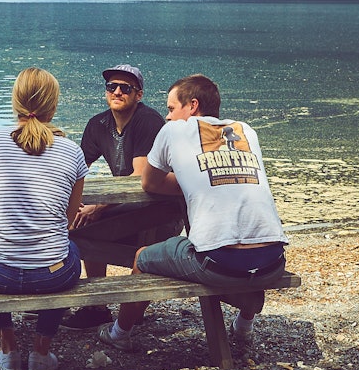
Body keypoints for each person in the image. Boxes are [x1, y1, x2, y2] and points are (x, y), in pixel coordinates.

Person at [97, 74, 289, 351]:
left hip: (219, 265)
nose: (167, 116)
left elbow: (149, 183)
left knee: (142, 257)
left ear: (193, 106)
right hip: (272, 262)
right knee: (248, 240)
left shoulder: (174, 131)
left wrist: (190, 184)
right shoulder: (246, 131)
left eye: (171, 108)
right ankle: (244, 326)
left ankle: (119, 333)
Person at [0, 67, 88, 370]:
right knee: (69, 250)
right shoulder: (72, 152)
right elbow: (67, 219)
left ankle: (8, 348)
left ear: (15, 102)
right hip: (52, 276)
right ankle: (41, 352)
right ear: (53, 105)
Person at [62, 63, 182, 331]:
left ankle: (118, 307)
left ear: (138, 95)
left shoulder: (148, 121)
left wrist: (98, 206)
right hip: (127, 208)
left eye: (125, 88)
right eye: (111, 86)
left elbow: (139, 178)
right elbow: (77, 170)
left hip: (160, 213)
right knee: (79, 219)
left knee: (88, 221)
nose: (117, 92)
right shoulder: (98, 124)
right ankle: (95, 306)